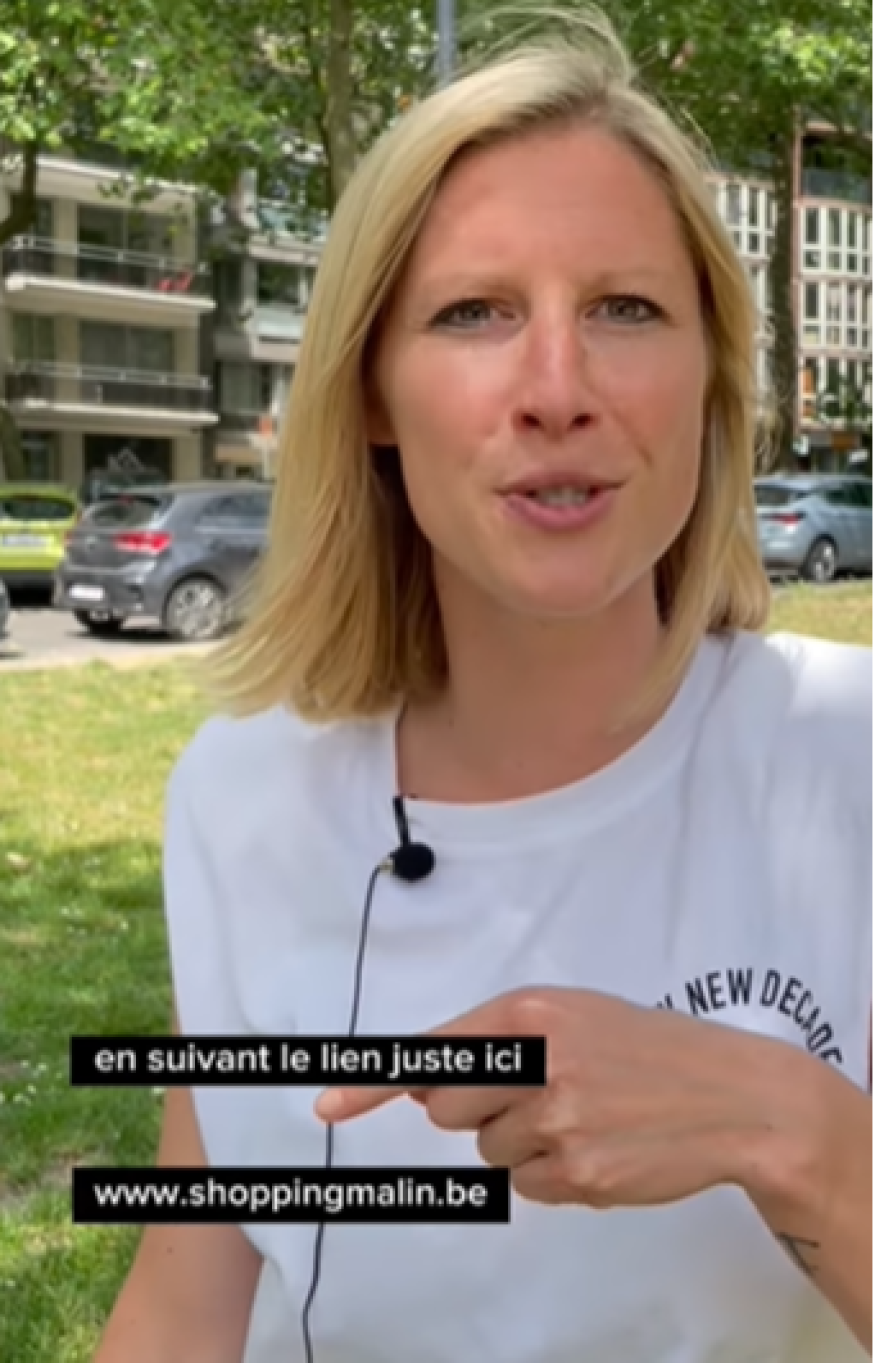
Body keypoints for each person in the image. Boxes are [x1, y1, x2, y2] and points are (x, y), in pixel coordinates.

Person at [93, 13, 873, 1363]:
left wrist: (785, 1127)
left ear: (709, 377)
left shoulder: (846, 755)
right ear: (372, 394)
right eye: (473, 314)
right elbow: (188, 1295)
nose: (556, 389)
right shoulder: (243, 795)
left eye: (625, 309)